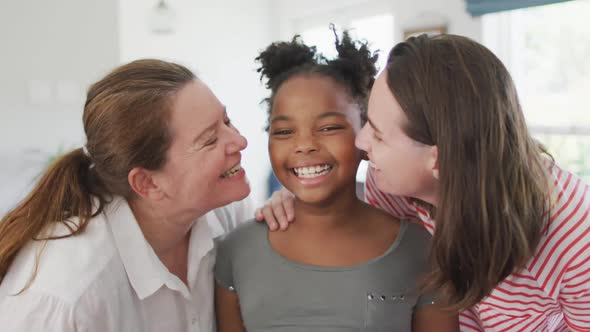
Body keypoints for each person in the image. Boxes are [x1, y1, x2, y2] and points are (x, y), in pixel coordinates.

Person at [256, 34, 590, 332]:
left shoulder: (575, 236)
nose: (362, 143)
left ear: (439, 161)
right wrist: (298, 201)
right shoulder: (390, 190)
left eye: (379, 135)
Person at [214, 29, 459, 332]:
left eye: (329, 128)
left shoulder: (422, 250)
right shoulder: (236, 252)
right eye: (284, 132)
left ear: (367, 134)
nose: (304, 145)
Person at [0, 59, 252, 331]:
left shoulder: (226, 216)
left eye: (227, 121)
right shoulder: (67, 293)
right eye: (210, 140)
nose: (240, 141)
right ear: (147, 183)